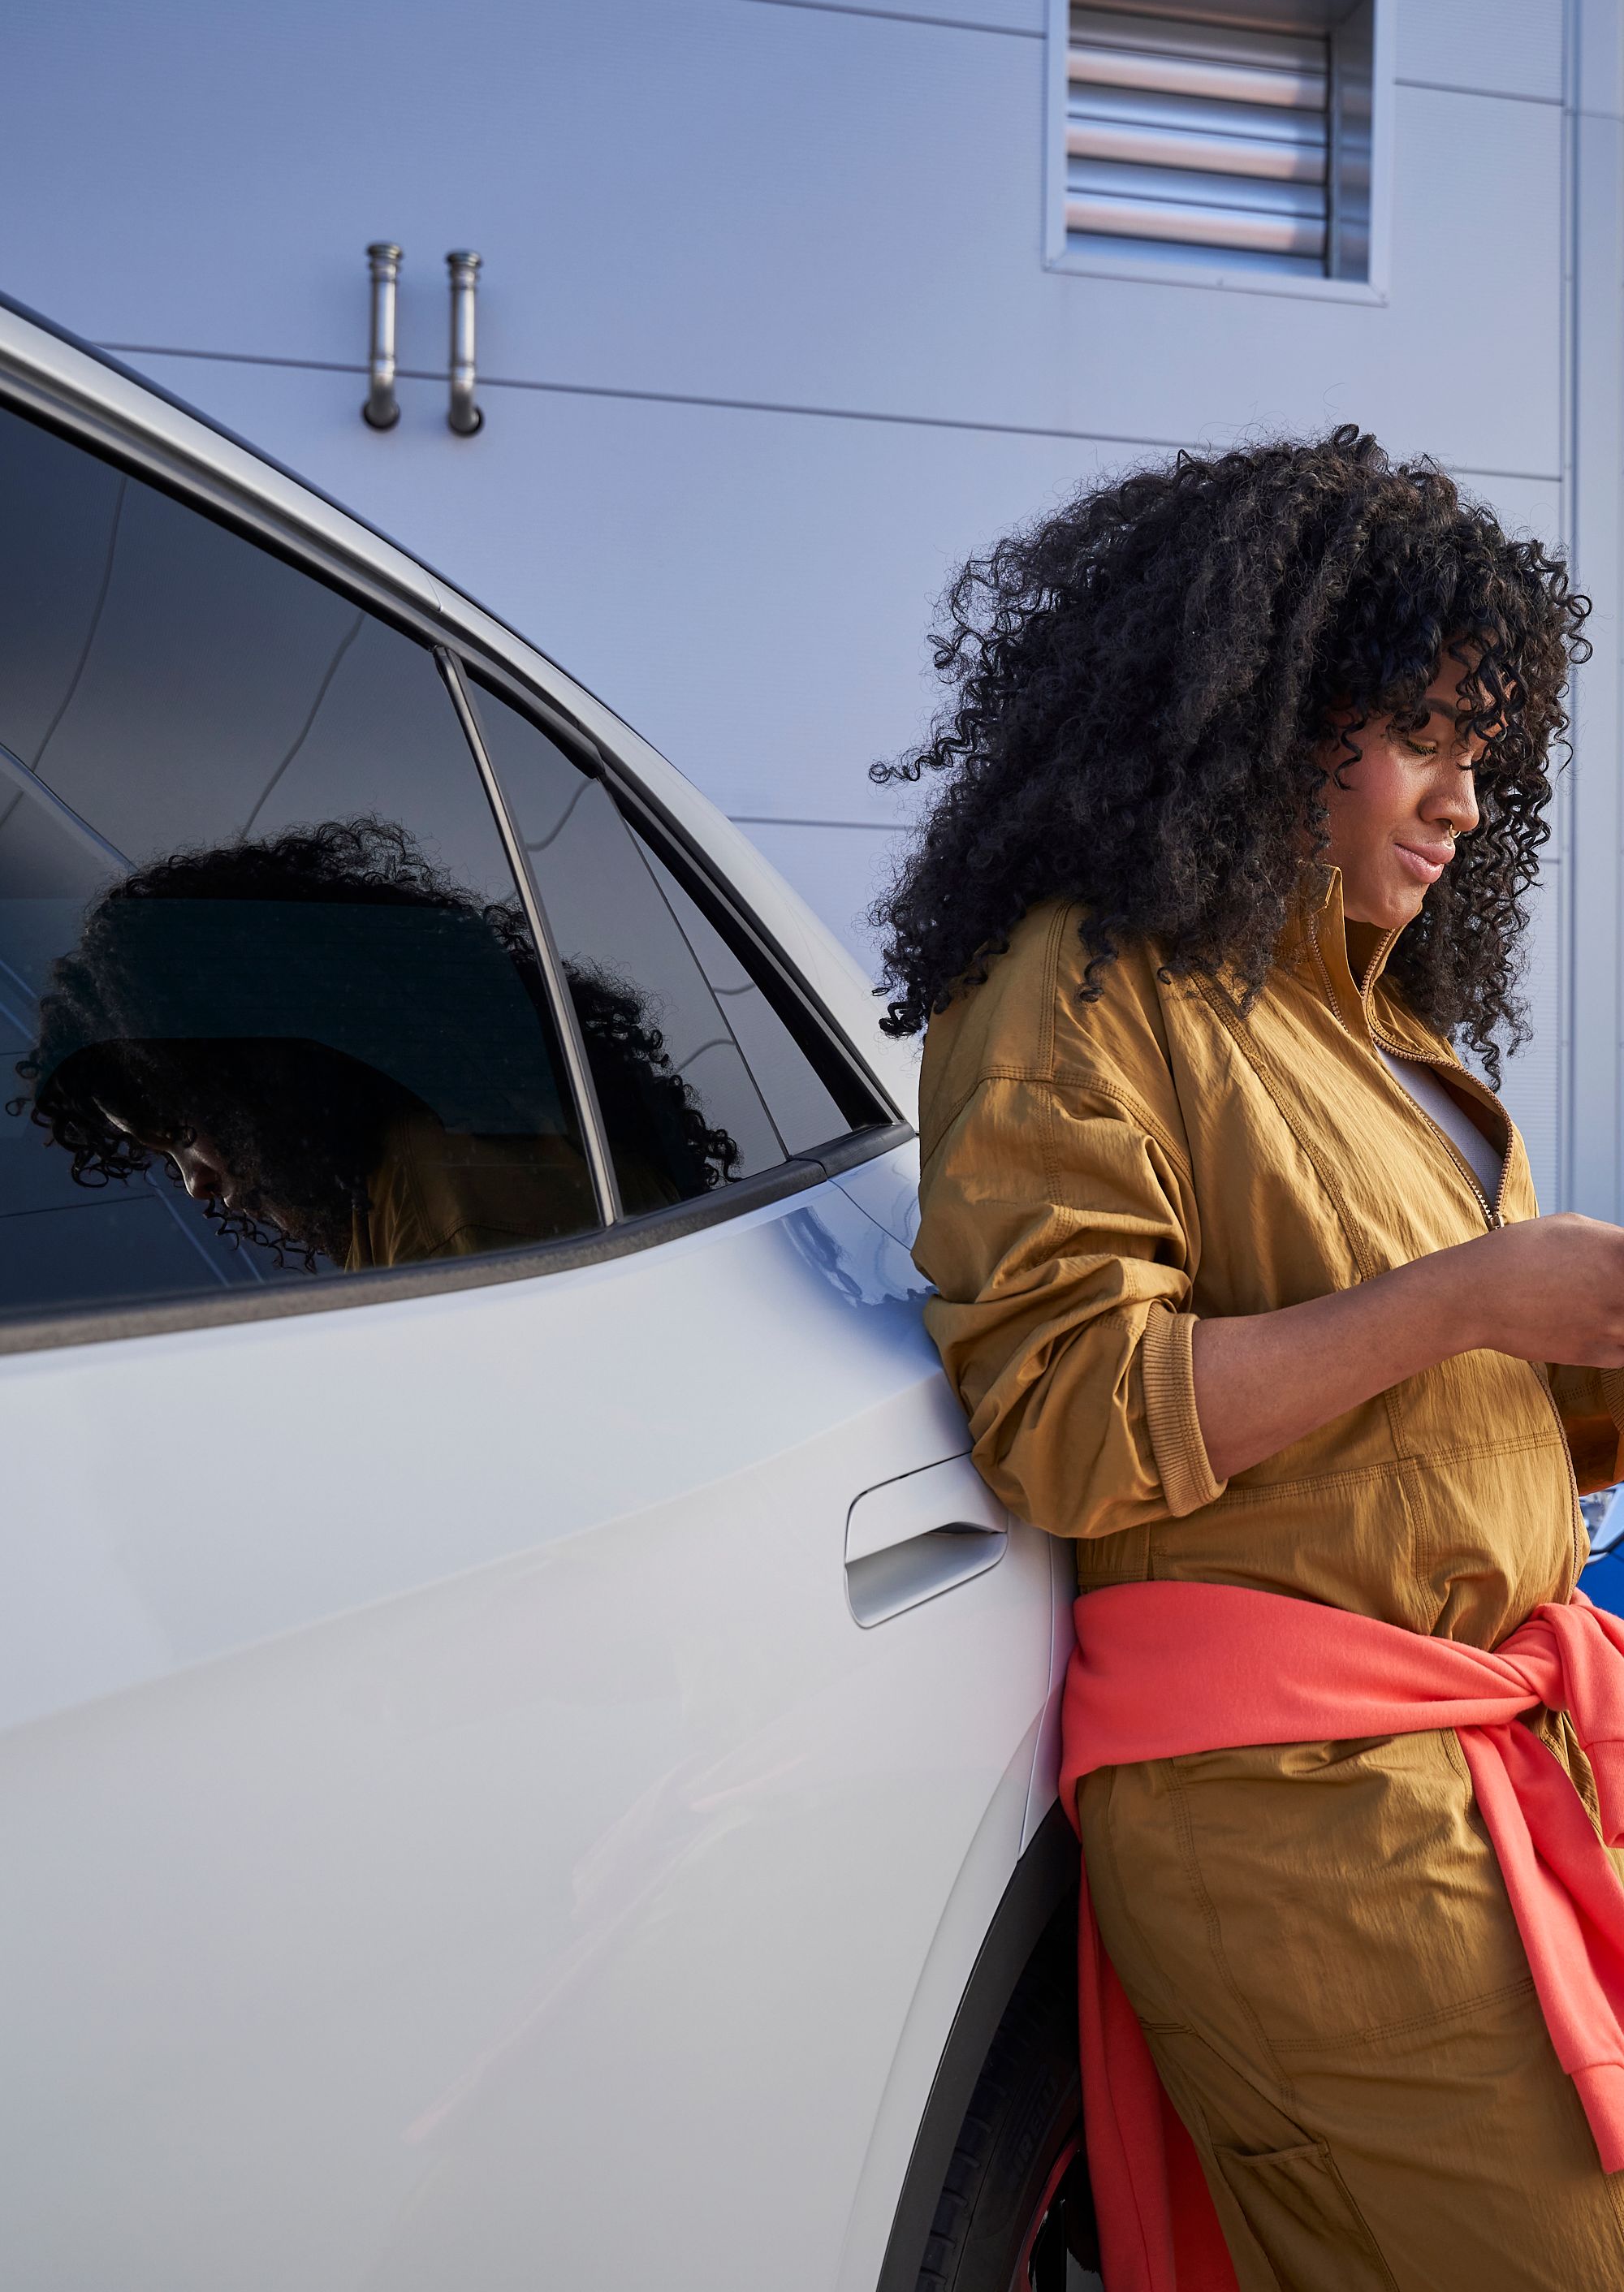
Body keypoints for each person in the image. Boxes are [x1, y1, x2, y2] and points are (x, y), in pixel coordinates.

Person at [880, 426, 1624, 2284]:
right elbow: (1058, 1415)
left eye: (1485, 756)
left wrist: (1570, 1346)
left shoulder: (1381, 1032)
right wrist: (1467, 1295)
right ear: (1273, 708)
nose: (1463, 801)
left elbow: (1448, 1426)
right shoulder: (1075, 979)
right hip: (1300, 1805)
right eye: (1429, 736)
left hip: (1467, 1757)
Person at [15, 816, 739, 1271]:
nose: (195, 1182)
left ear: (257, 1070)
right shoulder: (426, 1176)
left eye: (179, 1132)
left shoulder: (454, 1200)